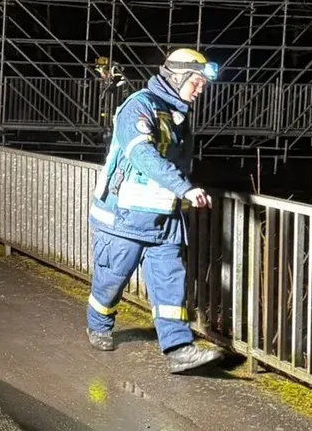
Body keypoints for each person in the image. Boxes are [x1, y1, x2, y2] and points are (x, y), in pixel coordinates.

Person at [85, 48, 223, 374]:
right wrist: (184, 189)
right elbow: (141, 154)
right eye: (198, 81)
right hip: (123, 219)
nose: (201, 89)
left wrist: (180, 194)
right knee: (111, 281)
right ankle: (99, 324)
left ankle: (178, 349)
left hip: (164, 220)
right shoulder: (139, 106)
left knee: (170, 283)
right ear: (178, 78)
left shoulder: (177, 114)